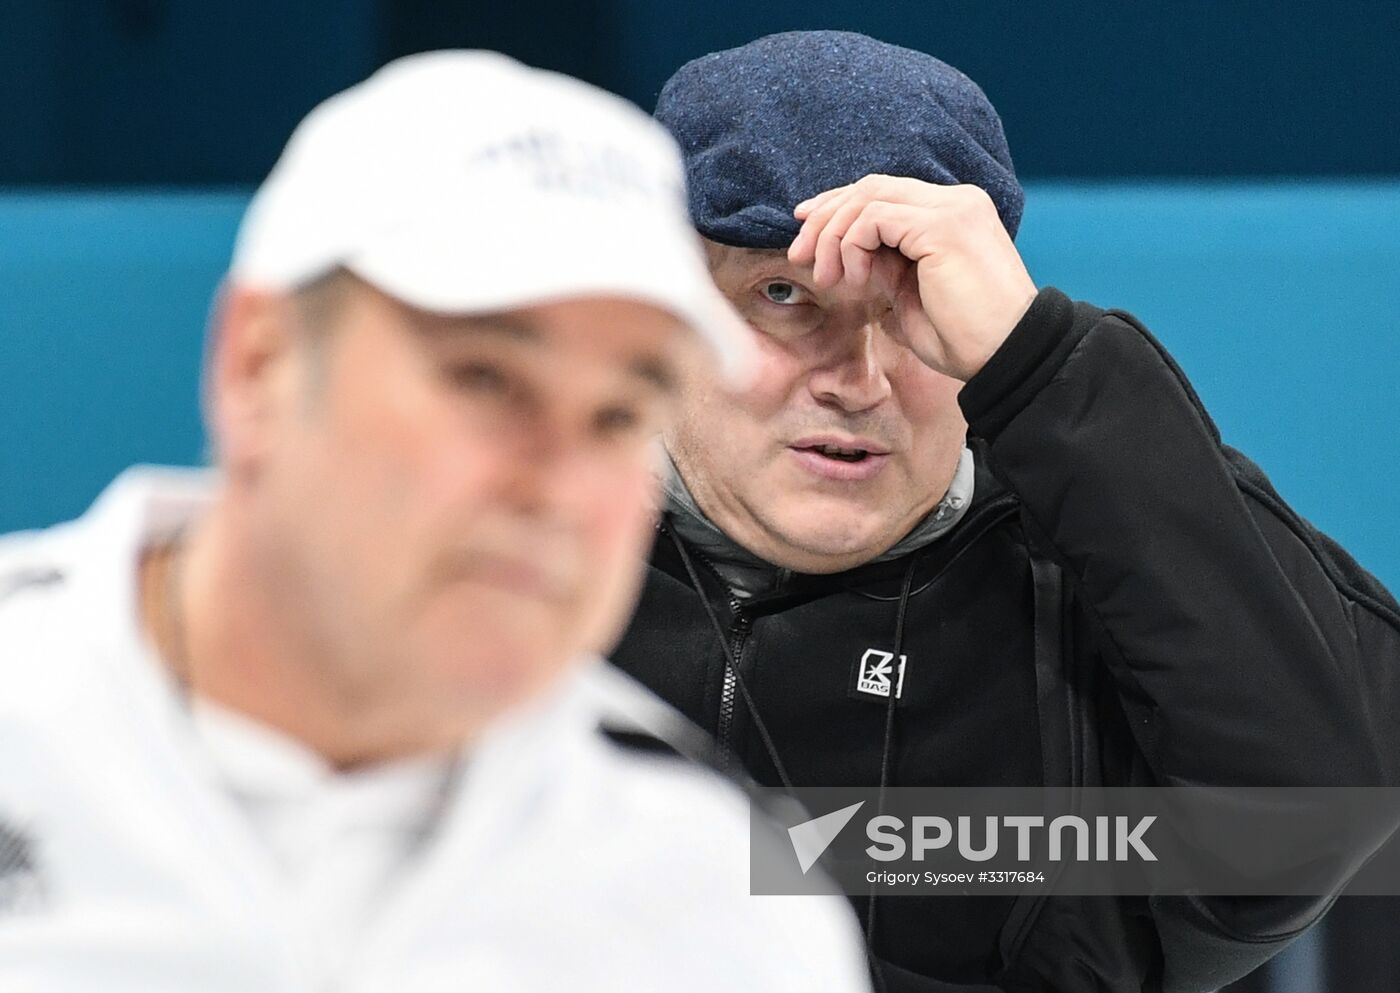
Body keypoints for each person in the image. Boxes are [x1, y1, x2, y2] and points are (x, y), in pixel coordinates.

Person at [0, 51, 875, 992]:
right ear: (258, 366)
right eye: (486, 380)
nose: (559, 486)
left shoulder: (716, 898)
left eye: (619, 415)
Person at [607, 30, 1400, 993]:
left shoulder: (1090, 579)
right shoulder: (527, 558)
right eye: (783, 294)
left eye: (907, 303)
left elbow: (1297, 835)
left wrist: (1045, 364)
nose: (857, 382)